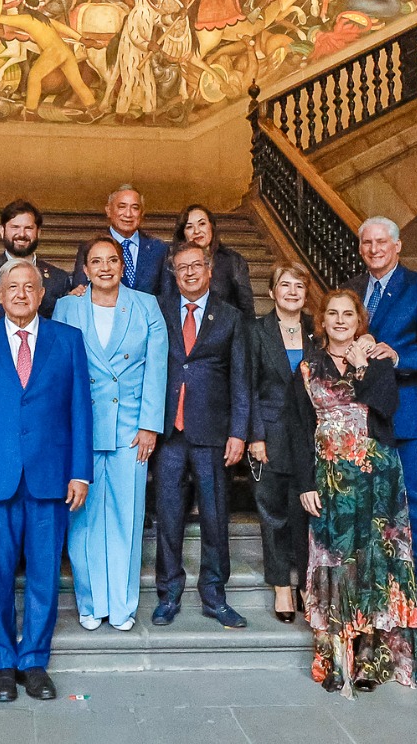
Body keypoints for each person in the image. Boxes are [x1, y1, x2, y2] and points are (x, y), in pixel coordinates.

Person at [0, 260, 93, 703]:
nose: (20, 293)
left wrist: (80, 472)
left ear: (40, 293)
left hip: (51, 475)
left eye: (28, 286)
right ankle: (0, 663)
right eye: (11, 287)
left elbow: (80, 411)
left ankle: (33, 661)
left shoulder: (68, 340)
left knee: (44, 575)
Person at [287, 289, 417, 693]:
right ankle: (336, 659)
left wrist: (362, 365)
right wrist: (305, 483)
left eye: (349, 314)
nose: (341, 320)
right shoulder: (307, 368)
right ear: (323, 321)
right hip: (330, 478)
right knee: (336, 562)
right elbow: (298, 429)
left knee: (374, 564)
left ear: (359, 321)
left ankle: (370, 661)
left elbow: (385, 407)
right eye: (333, 313)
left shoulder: (378, 361)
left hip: (376, 476)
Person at [52, 235, 168, 631]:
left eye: (112, 260)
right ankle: (90, 601)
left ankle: (121, 604)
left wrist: (150, 424)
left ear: (123, 266)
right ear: (84, 269)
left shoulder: (146, 305)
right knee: (81, 521)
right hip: (80, 428)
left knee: (125, 519)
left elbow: (157, 367)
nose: (105, 267)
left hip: (130, 431)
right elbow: (58, 371)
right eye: (96, 261)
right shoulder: (67, 306)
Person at [152, 241, 251, 629]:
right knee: (168, 516)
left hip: (213, 431)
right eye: (182, 267)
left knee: (214, 517)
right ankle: (169, 593)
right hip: (168, 434)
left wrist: (239, 433)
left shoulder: (230, 317)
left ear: (209, 270)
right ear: (173, 274)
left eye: (196, 265)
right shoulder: (157, 311)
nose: (190, 272)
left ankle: (214, 594)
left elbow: (241, 379)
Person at [358, 217, 417, 600]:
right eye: (367, 243)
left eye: (382, 242)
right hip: (360, 413)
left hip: (407, 413)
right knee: (369, 500)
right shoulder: (351, 289)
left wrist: (398, 356)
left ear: (398, 246)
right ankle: (377, 581)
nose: (374, 249)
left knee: (412, 500)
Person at [248, 262, 313, 622]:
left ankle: (306, 582)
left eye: (298, 286)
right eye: (284, 285)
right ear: (271, 292)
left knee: (306, 513)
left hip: (310, 437)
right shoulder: (256, 332)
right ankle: (282, 588)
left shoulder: (317, 334)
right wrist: (254, 435)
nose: (291, 291)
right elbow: (248, 386)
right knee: (273, 512)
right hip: (269, 435)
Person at [0, 199, 74, 328]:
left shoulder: (59, 279)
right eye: (15, 227)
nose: (21, 234)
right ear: (2, 230)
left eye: (28, 228)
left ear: (38, 232)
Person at [73, 184, 168, 295]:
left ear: (142, 213)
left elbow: (166, 296)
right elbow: (80, 289)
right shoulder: (90, 247)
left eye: (135, 208)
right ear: (108, 210)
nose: (128, 214)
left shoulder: (158, 249)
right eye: (122, 207)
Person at [161, 203, 255, 314]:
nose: (197, 231)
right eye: (189, 227)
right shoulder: (172, 262)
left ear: (211, 226)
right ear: (183, 233)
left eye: (202, 224)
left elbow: (246, 309)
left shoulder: (233, 261)